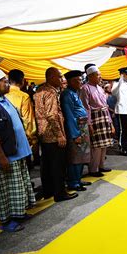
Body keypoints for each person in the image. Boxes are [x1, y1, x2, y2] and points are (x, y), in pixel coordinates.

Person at [0, 69, 36, 232]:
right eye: (4, 81)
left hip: (17, 152)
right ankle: (7, 221)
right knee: (7, 191)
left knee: (19, 186)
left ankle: (19, 213)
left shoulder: (4, 100)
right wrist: (1, 157)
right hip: (7, 156)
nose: (8, 84)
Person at [34, 67, 77, 202]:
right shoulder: (51, 93)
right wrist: (60, 135)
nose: (62, 79)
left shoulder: (40, 90)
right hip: (52, 134)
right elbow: (52, 115)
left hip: (43, 133)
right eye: (59, 77)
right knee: (58, 165)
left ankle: (48, 191)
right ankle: (60, 193)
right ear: (51, 77)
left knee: (46, 165)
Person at [80, 64, 113, 177]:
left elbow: (105, 106)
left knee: (105, 144)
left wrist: (110, 122)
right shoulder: (85, 88)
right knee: (96, 146)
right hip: (95, 118)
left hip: (104, 116)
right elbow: (86, 107)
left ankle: (101, 166)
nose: (100, 77)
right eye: (98, 75)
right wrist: (89, 124)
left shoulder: (100, 88)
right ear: (90, 76)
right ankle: (93, 169)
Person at [61, 70, 91, 191]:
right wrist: (75, 134)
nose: (81, 82)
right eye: (78, 80)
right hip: (76, 128)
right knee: (75, 157)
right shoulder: (67, 94)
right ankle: (73, 182)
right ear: (71, 81)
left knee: (82, 156)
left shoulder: (74, 92)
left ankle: (78, 179)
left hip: (82, 126)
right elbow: (69, 116)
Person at [6, 69, 38, 168]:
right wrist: (32, 139)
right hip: (21, 136)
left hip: (5, 136)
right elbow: (28, 120)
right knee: (24, 165)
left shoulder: (2, 94)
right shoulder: (23, 96)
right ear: (22, 80)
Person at [112, 67, 127, 156]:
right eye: (126, 74)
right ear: (122, 74)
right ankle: (123, 148)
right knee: (123, 131)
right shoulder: (116, 84)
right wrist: (120, 80)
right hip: (121, 110)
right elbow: (113, 92)